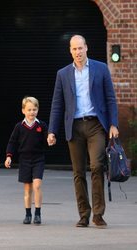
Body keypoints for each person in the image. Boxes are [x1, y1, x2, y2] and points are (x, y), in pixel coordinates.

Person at [47, 35, 119, 228]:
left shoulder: (100, 68)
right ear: (70, 51)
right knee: (78, 172)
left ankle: (98, 213)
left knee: (97, 166)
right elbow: (57, 104)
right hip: (74, 126)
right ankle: (84, 214)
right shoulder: (63, 74)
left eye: (80, 48)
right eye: (74, 49)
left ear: (86, 48)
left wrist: (113, 124)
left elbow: (110, 98)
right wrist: (52, 130)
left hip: (96, 125)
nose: (78, 52)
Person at [5, 96, 48, 225]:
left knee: (37, 185)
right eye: (29, 109)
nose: (32, 112)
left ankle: (38, 214)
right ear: (23, 110)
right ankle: (28, 214)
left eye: (34, 109)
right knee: (27, 189)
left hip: (38, 159)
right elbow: (12, 142)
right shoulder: (19, 126)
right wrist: (9, 156)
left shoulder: (41, 125)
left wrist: (51, 139)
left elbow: (48, 137)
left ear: (38, 110)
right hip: (24, 160)